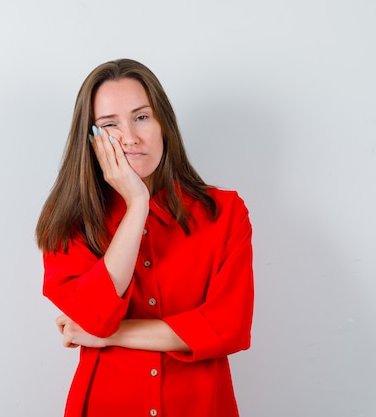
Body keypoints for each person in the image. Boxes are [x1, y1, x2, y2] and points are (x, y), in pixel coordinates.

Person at [35, 59, 254, 417]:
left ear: (163, 124)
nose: (130, 137)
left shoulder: (224, 212)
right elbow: (95, 318)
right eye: (109, 124)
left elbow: (228, 329)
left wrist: (111, 336)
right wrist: (137, 203)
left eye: (141, 117)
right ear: (90, 139)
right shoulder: (67, 221)